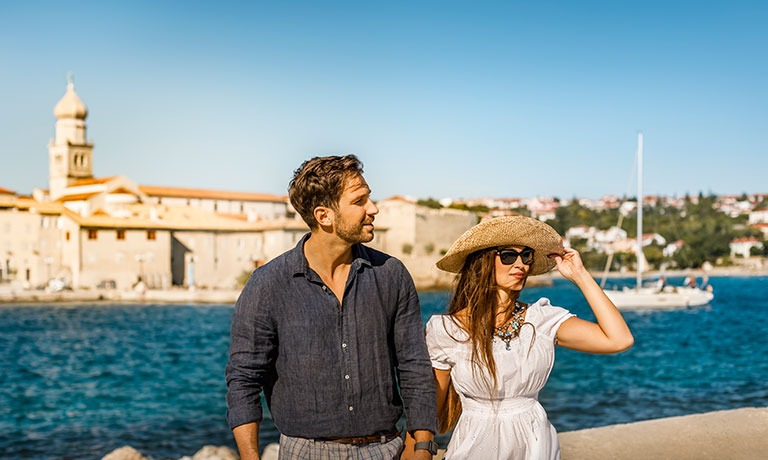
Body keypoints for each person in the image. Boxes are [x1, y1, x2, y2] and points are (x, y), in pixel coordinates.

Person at [225, 155, 437, 460]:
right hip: (304, 452)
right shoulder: (268, 284)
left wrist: (422, 446)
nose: (373, 208)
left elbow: (414, 365)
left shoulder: (391, 274)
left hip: (387, 449)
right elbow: (244, 377)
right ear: (324, 216)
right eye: (360, 201)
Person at [422, 216, 633, 460]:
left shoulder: (541, 318)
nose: (520, 263)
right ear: (482, 262)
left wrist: (580, 275)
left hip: (535, 446)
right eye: (508, 255)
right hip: (475, 446)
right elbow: (431, 405)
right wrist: (418, 449)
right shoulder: (446, 329)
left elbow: (619, 340)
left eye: (526, 256)